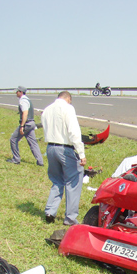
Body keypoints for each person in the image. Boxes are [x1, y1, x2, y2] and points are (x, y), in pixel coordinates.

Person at [41, 91, 86, 226]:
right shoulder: (68, 108)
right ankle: (70, 218)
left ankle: (50, 211)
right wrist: (81, 153)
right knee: (73, 183)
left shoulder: (47, 109)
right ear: (68, 99)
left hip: (50, 148)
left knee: (57, 180)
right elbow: (74, 132)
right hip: (65, 148)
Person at [6, 86, 43, 166]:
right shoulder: (27, 99)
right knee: (33, 143)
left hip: (27, 124)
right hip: (31, 123)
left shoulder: (23, 101)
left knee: (13, 139)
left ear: (21, 92)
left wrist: (22, 126)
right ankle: (40, 161)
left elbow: (25, 113)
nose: (16, 93)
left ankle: (16, 159)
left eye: (17, 91)